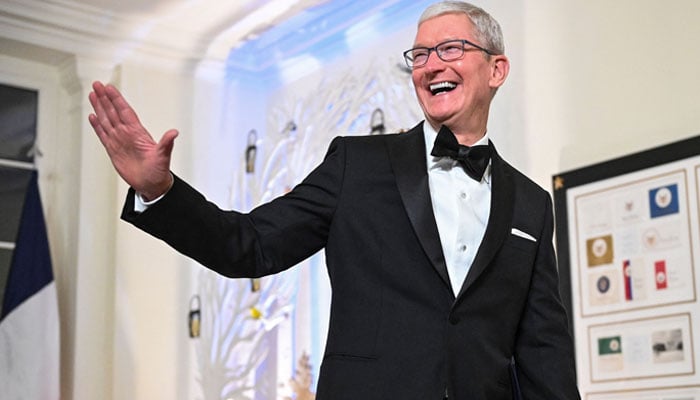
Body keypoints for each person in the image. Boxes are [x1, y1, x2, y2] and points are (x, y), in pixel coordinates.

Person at [88, 1, 581, 399]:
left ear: (496, 69)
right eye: (420, 55)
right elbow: (250, 245)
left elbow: (543, 349)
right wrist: (159, 191)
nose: (432, 65)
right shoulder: (356, 164)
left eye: (449, 49)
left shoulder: (532, 204)